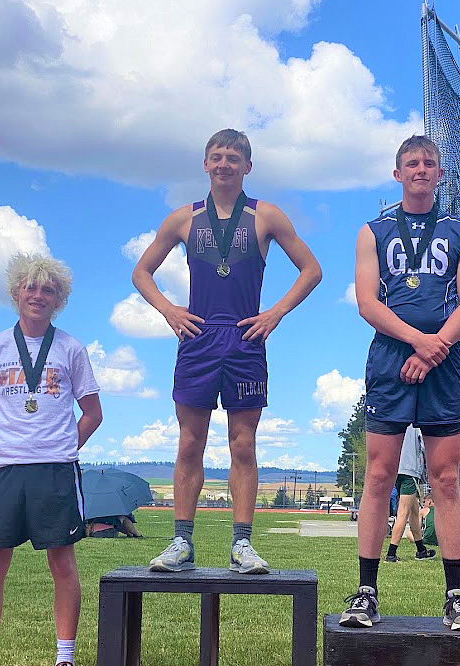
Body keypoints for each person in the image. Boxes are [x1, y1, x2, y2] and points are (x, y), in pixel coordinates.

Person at [132, 129, 321, 573]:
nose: (224, 164)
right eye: (216, 157)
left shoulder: (266, 215)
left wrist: (274, 313)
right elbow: (141, 272)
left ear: (247, 167)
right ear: (205, 164)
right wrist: (168, 310)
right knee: (189, 442)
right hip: (197, 337)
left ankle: (241, 544)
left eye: (233, 158)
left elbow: (311, 270)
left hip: (245, 338)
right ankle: (181, 543)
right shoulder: (183, 219)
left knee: (243, 444)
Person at [340, 134, 460, 632]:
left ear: (440, 174)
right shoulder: (373, 231)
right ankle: (366, 591)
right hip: (390, 360)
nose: (420, 170)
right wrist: (418, 342)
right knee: (379, 476)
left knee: (446, 479)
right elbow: (367, 302)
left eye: (428, 163)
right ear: (396, 173)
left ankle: (456, 596)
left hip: (443, 364)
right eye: (411, 163)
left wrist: (435, 347)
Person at [0, 254, 102, 666]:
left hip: (56, 471)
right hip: (6, 471)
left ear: (59, 300)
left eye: (49, 290)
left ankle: (64, 664)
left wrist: (61, 448)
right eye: (31, 288)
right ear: (17, 292)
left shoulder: (71, 349)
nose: (38, 296)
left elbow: (93, 413)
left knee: (62, 563)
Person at [384, 425, 436, 562]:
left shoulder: (397, 422)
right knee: (403, 513)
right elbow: (425, 446)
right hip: (409, 470)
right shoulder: (415, 425)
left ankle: (421, 550)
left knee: (414, 511)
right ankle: (391, 553)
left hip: (396, 469)